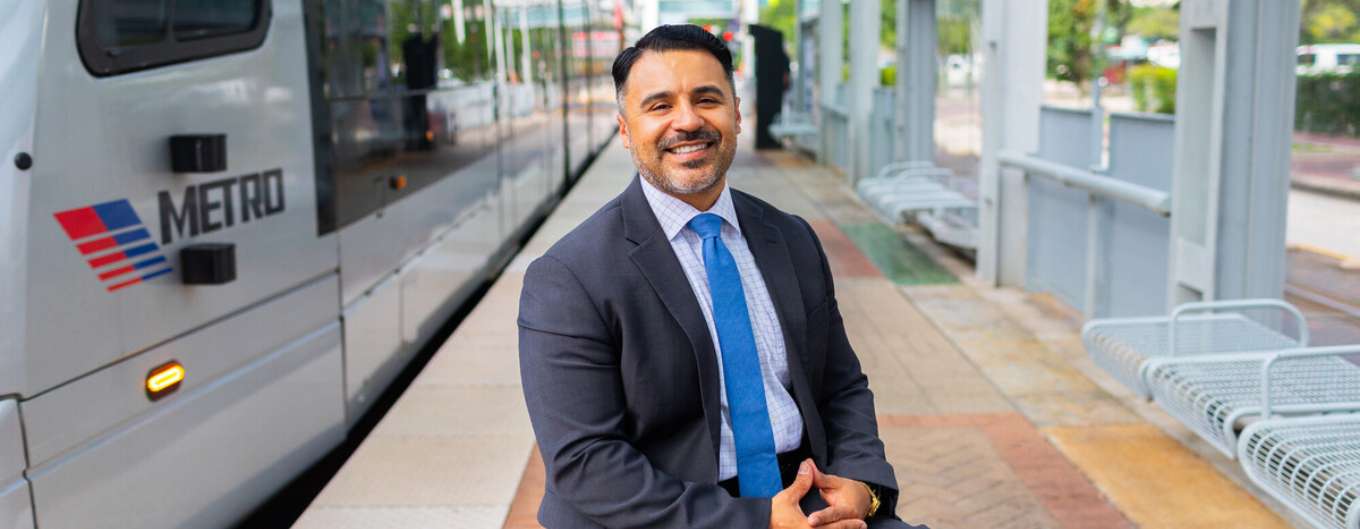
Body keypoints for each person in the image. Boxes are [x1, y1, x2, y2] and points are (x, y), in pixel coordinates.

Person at [518, 24, 926, 529]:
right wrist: (760, 521)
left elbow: (841, 387)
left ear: (736, 112)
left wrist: (862, 487)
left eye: (707, 99)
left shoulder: (792, 238)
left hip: (808, 501)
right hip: (672, 513)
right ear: (625, 131)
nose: (688, 121)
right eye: (660, 106)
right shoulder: (568, 278)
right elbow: (586, 463)